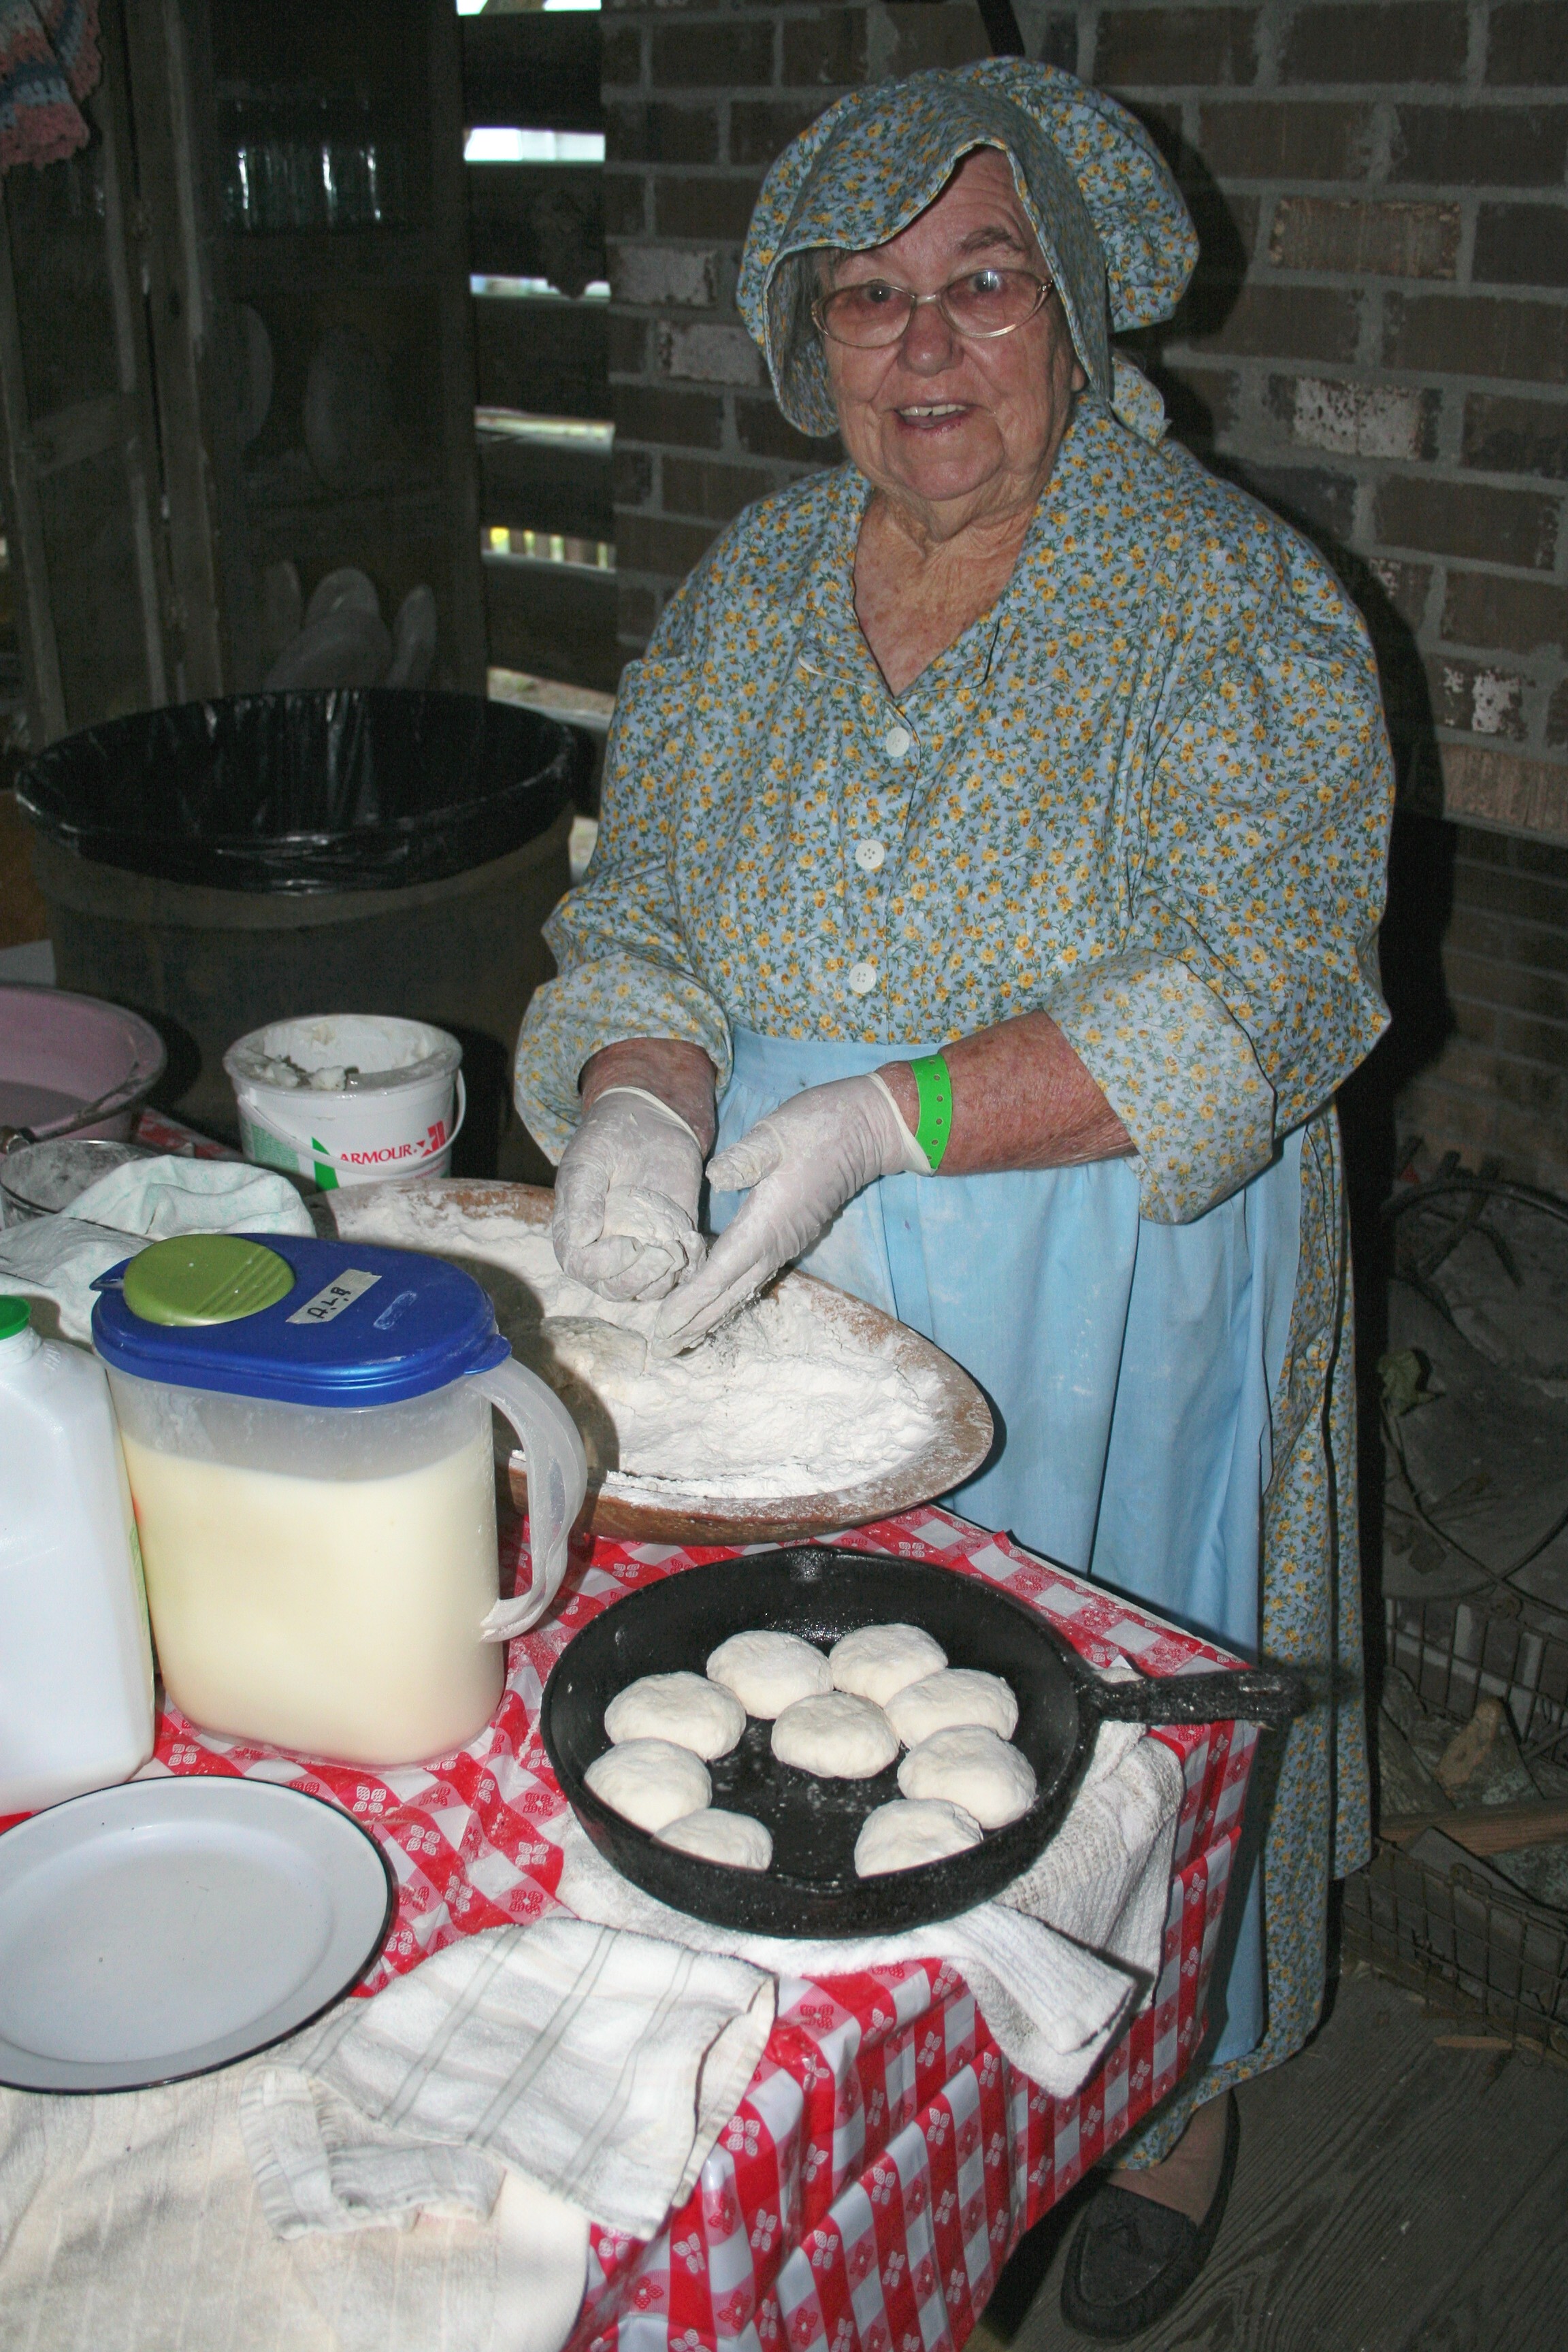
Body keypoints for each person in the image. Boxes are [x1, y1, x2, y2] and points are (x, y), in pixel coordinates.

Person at [516, 59, 1392, 2342]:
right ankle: (894, 2075)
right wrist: (635, 1092)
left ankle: (1166, 2080)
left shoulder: (1228, 603)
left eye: (982, 284)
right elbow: (651, 923)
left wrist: (895, 1117)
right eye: (869, 297)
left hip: (1108, 1257)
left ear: (1079, 311)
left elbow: (1280, 988)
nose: (922, 346)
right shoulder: (753, 588)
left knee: (1097, 1692)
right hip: (786, 1263)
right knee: (828, 1707)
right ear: (811, 341)